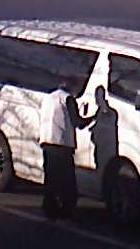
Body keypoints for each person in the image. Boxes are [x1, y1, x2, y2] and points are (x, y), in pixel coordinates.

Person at [38, 79, 92, 219]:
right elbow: (77, 123)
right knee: (68, 181)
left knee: (51, 179)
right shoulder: (67, 99)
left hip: (46, 141)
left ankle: (49, 209)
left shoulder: (49, 97)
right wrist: (93, 118)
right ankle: (66, 211)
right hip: (61, 145)